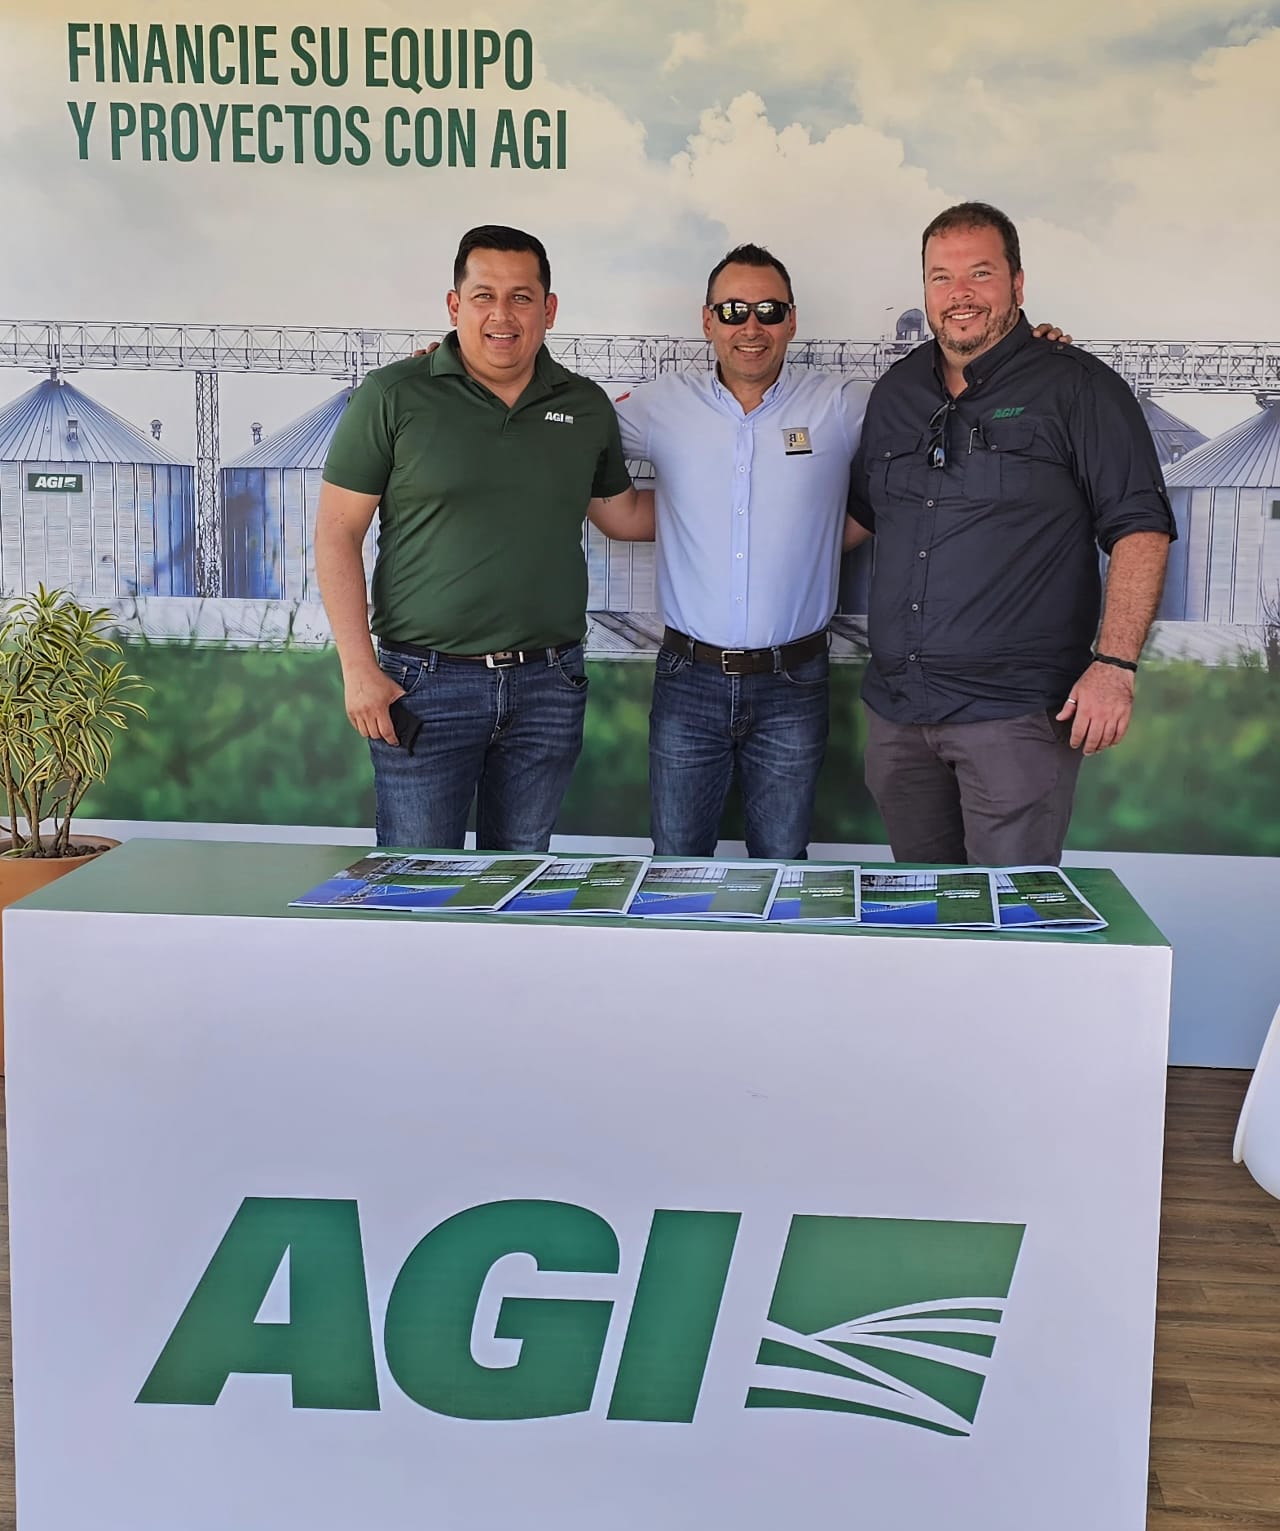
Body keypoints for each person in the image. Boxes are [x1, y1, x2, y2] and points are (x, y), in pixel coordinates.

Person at [847, 201, 1175, 866]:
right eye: (941, 277)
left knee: (1008, 916)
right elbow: (859, 519)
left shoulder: (1077, 387)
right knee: (927, 909)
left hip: (1014, 718)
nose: (960, 294)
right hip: (900, 718)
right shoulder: (896, 393)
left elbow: (1141, 528)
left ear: (1017, 284)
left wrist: (1114, 666)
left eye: (980, 273)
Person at [316, 224, 650, 852]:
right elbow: (337, 533)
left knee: (520, 879)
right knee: (416, 880)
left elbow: (622, 515)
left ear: (549, 309)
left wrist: (756, 509)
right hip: (423, 684)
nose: (502, 315)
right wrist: (358, 670)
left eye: (522, 297)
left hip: (548, 686)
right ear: (454, 305)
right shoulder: (393, 395)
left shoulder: (584, 405)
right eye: (484, 296)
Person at [614, 245, 869, 860]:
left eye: (768, 310)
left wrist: (1029, 353)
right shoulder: (660, 405)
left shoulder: (841, 405)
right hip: (688, 678)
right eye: (732, 310)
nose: (750, 326)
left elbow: (938, 411)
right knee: (675, 866)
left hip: (794, 681)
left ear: (792, 320)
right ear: (707, 321)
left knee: (783, 867)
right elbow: (561, 431)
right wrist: (462, 372)